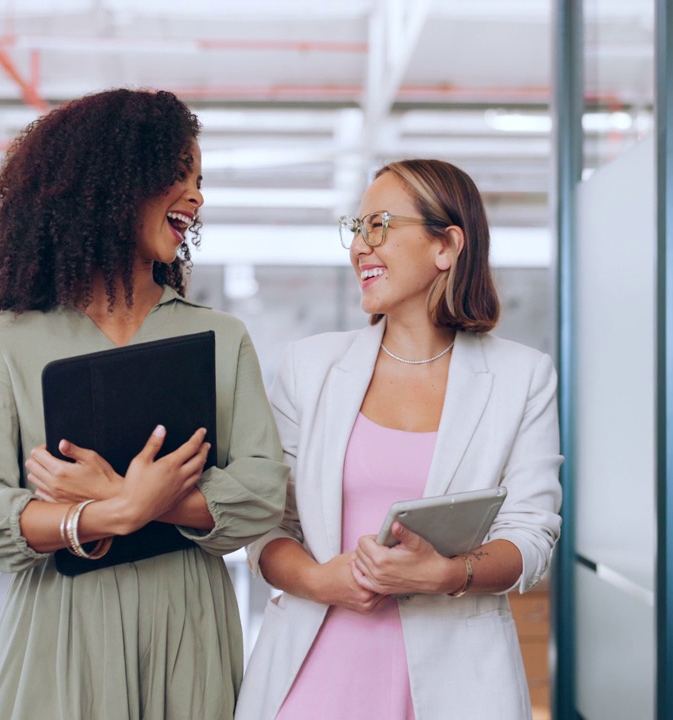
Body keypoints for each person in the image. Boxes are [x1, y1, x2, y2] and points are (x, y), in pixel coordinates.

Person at [0, 88, 288, 720]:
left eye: (200, 180)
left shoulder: (220, 337)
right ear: (109, 185)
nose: (196, 196)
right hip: (62, 622)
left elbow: (263, 491)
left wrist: (128, 501)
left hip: (187, 623)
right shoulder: (9, 340)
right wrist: (115, 513)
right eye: (175, 175)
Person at [235, 159, 563, 720]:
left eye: (380, 225)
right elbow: (266, 528)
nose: (361, 246)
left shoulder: (522, 377)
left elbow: (532, 538)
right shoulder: (308, 368)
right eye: (356, 229)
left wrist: (448, 574)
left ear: (446, 246)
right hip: (314, 672)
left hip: (457, 681)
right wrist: (319, 579)